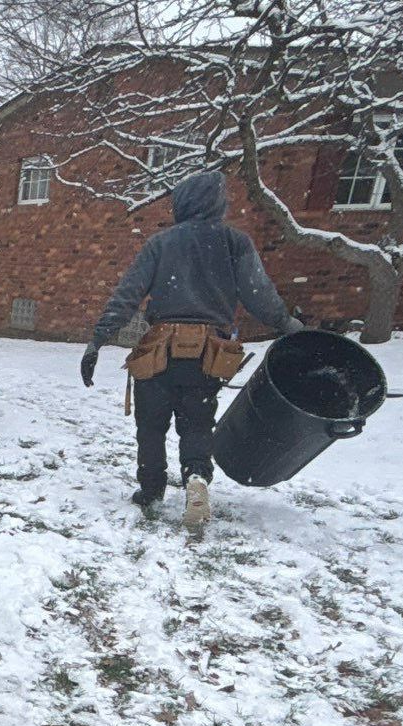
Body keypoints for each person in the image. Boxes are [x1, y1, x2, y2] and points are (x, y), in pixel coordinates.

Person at [80, 170, 301, 518]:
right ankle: (196, 476)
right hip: (207, 354)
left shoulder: (161, 243)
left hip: (159, 351)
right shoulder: (235, 242)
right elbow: (260, 296)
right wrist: (288, 325)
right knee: (197, 423)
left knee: (151, 425)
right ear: (215, 203)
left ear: (182, 204)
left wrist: (98, 339)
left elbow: (128, 295)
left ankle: (151, 489)